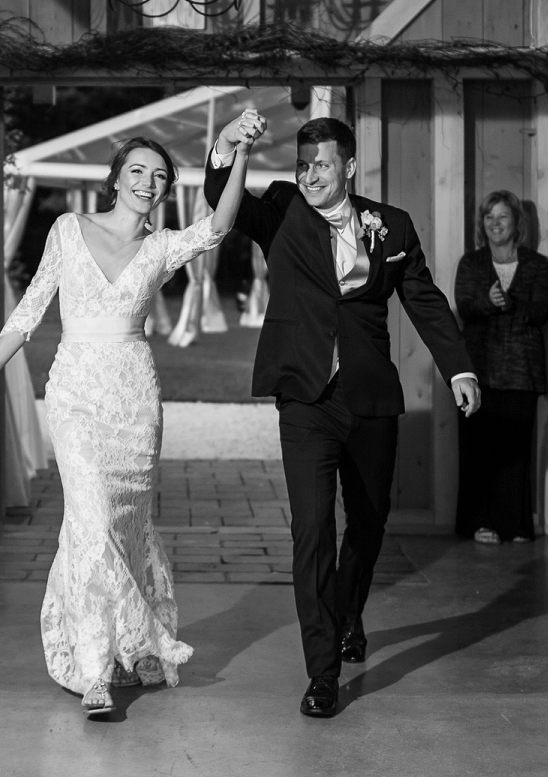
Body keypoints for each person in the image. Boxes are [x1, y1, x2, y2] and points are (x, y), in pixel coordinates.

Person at [0, 130, 256, 716]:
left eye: (160, 176)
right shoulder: (68, 229)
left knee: (124, 522)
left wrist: (237, 152)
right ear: (115, 178)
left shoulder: (164, 246)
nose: (149, 184)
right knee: (90, 516)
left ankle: (134, 644)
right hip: (75, 393)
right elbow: (30, 309)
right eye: (138, 172)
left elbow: (218, 226)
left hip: (134, 398)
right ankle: (94, 671)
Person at [203, 115, 479, 720]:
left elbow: (424, 299)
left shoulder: (392, 226)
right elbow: (222, 198)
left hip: (369, 396)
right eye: (303, 165)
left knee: (371, 522)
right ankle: (322, 672)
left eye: (321, 165)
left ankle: (349, 609)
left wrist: (459, 367)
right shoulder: (280, 209)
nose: (309, 176)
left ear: (348, 167)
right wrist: (227, 146)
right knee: (311, 532)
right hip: (305, 398)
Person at [453, 190, 548, 544]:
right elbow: (464, 308)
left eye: (502, 218)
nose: (495, 224)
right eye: (489, 218)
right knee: (479, 453)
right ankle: (480, 523)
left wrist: (510, 303)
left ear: (516, 224)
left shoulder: (538, 265)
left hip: (522, 373)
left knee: (516, 454)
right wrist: (487, 302)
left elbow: (543, 312)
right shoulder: (471, 263)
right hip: (478, 373)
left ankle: (516, 525)